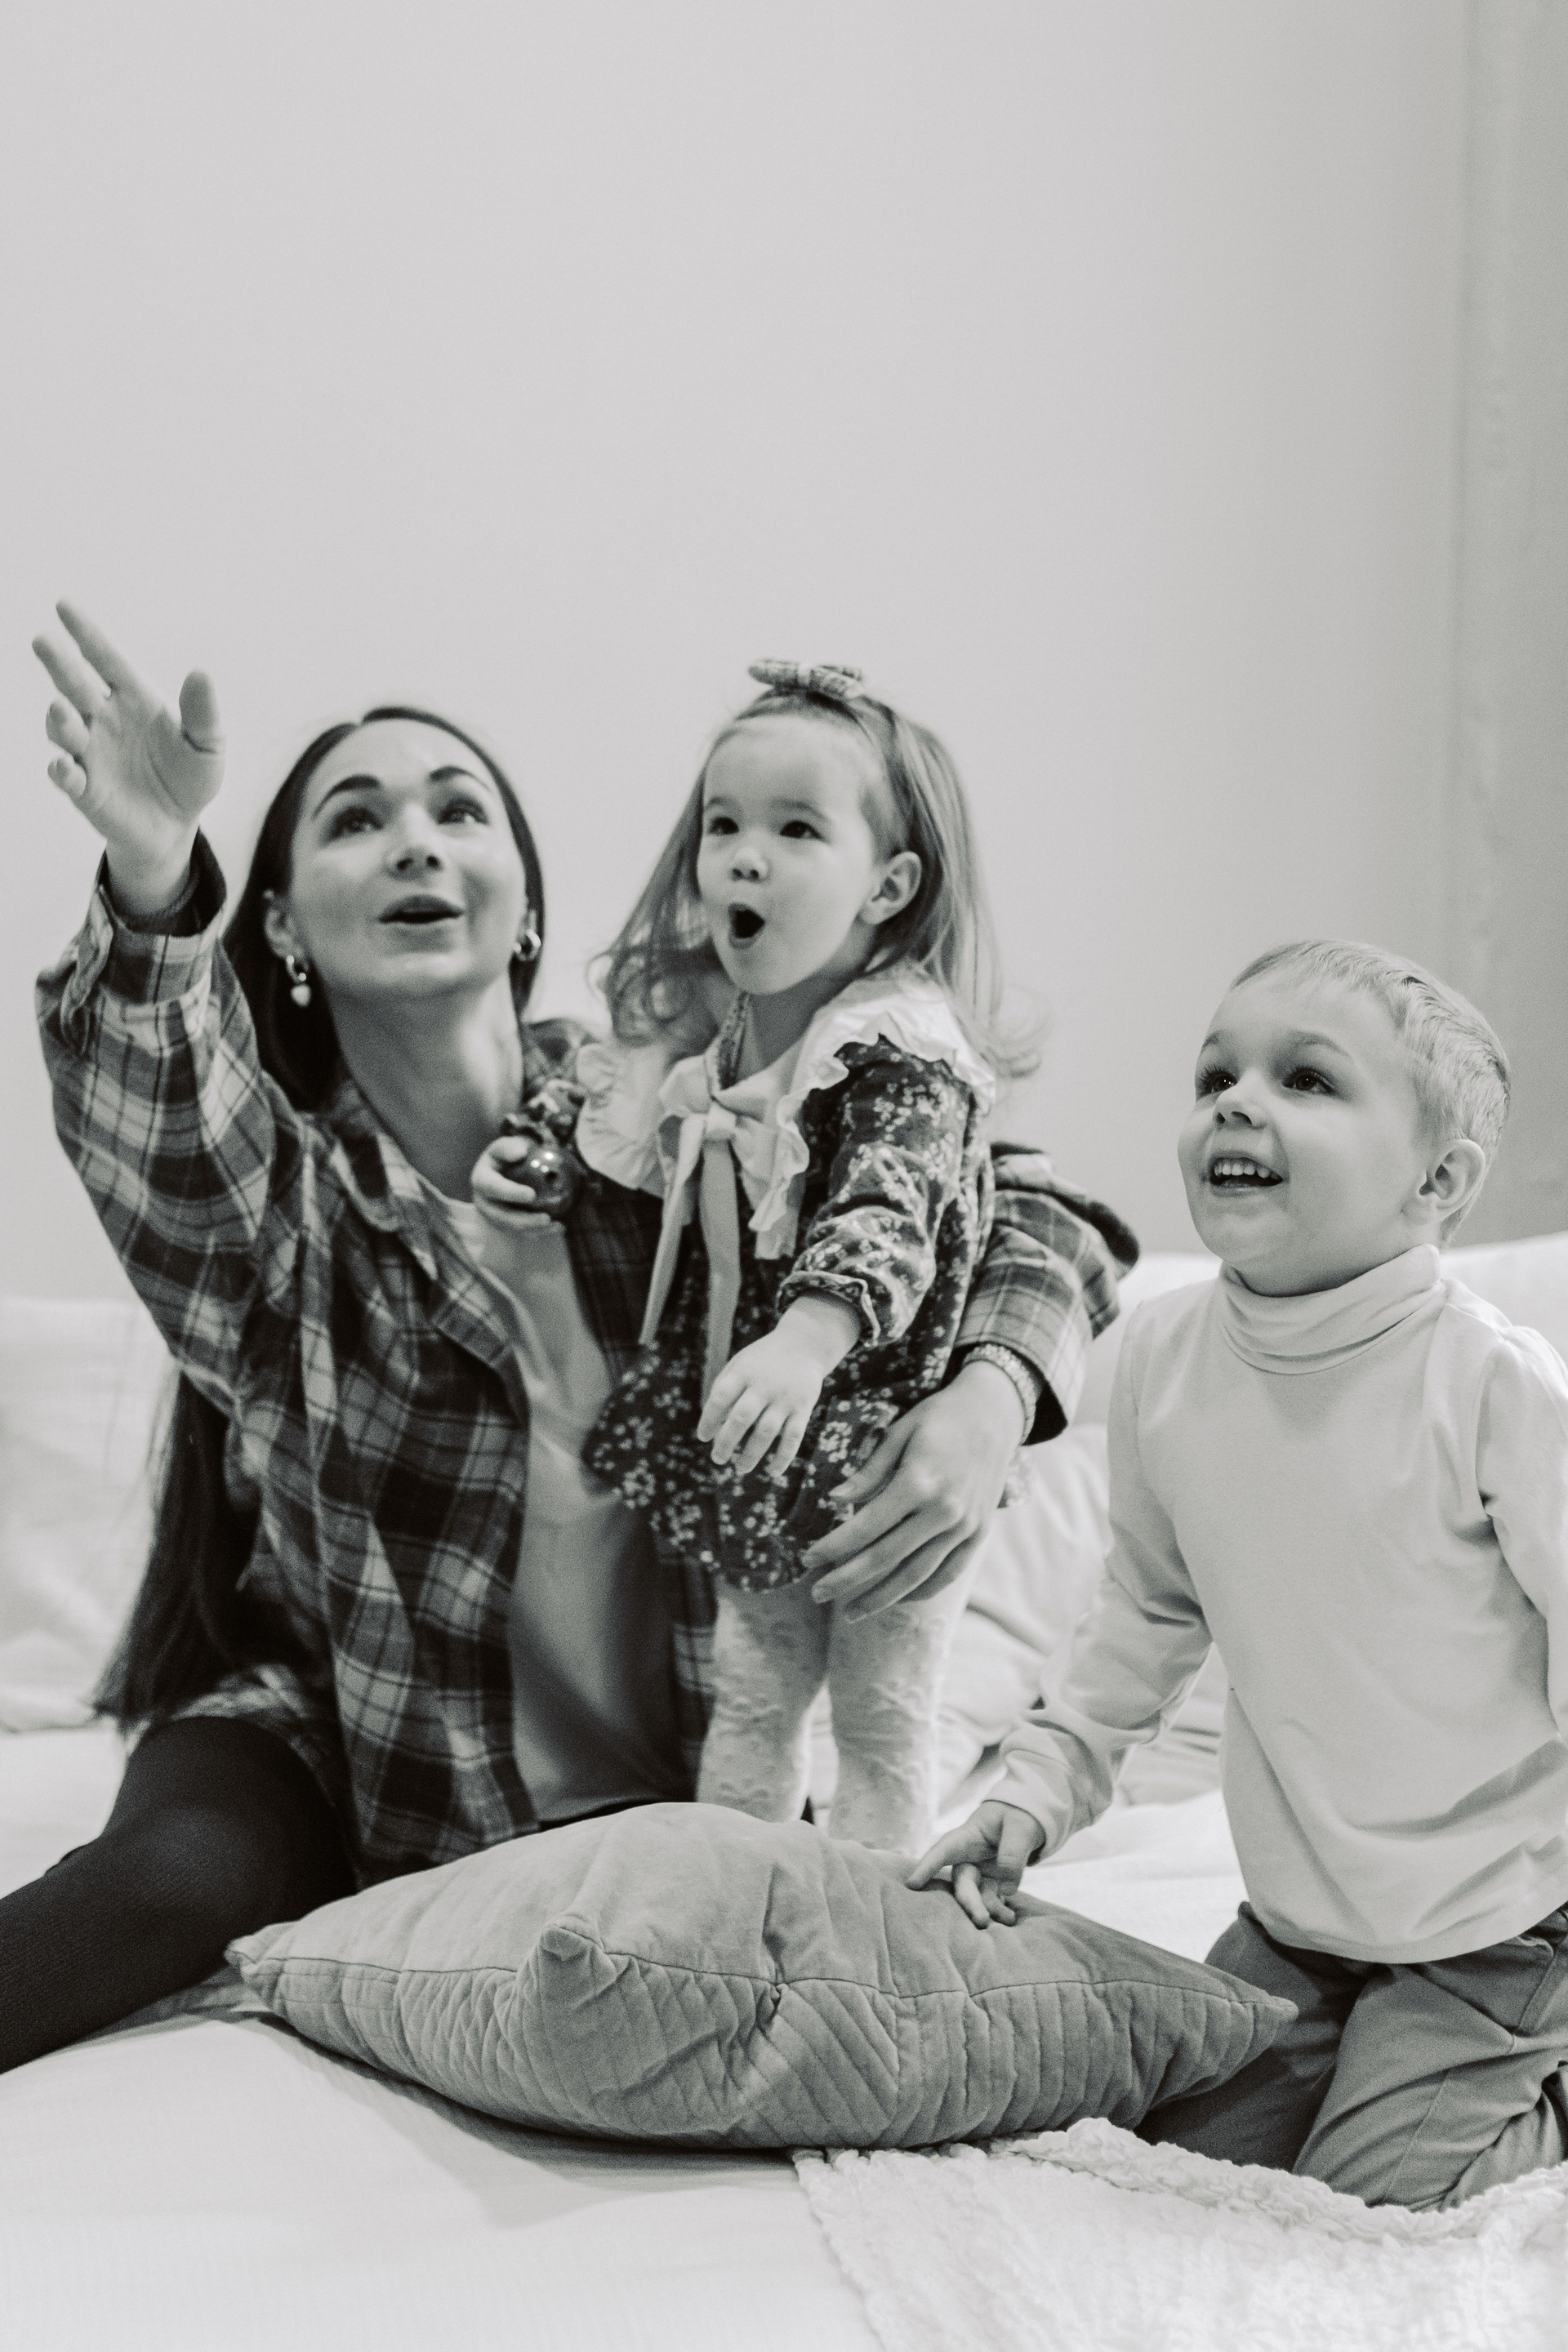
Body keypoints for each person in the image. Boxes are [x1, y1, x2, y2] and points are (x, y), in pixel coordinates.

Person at [0, 606, 1133, 2076]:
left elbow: (1021, 1203)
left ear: (525, 903)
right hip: (360, 1752)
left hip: (681, 1766)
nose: (415, 844)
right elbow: (162, 1125)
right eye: (356, 820)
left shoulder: (667, 1123)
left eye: (457, 809)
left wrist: (992, 1393)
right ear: (279, 926)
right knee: (168, 1881)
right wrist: (160, 877)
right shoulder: (292, 1212)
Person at [912, 940, 1568, 2212]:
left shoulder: (1489, 1382)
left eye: (1306, 1079)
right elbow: (1145, 1617)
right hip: (1302, 1918)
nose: (1237, 1102)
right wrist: (1033, 1795)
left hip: (1497, 1918)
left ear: (1438, 1180)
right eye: (1217, 1074)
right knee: (1183, 2169)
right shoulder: (1165, 1360)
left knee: (1373, 2205)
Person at [479, 660, 1027, 1852]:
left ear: (888, 886)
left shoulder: (898, 1052)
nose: (743, 856)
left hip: (878, 1440)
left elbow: (887, 1210)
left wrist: (811, 1332)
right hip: (758, 1435)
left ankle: (880, 1920)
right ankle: (738, 1898)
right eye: (722, 824)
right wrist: (537, 1155)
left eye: (795, 829)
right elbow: (618, 1105)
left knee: (884, 1715)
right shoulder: (717, 1030)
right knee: (756, 1692)